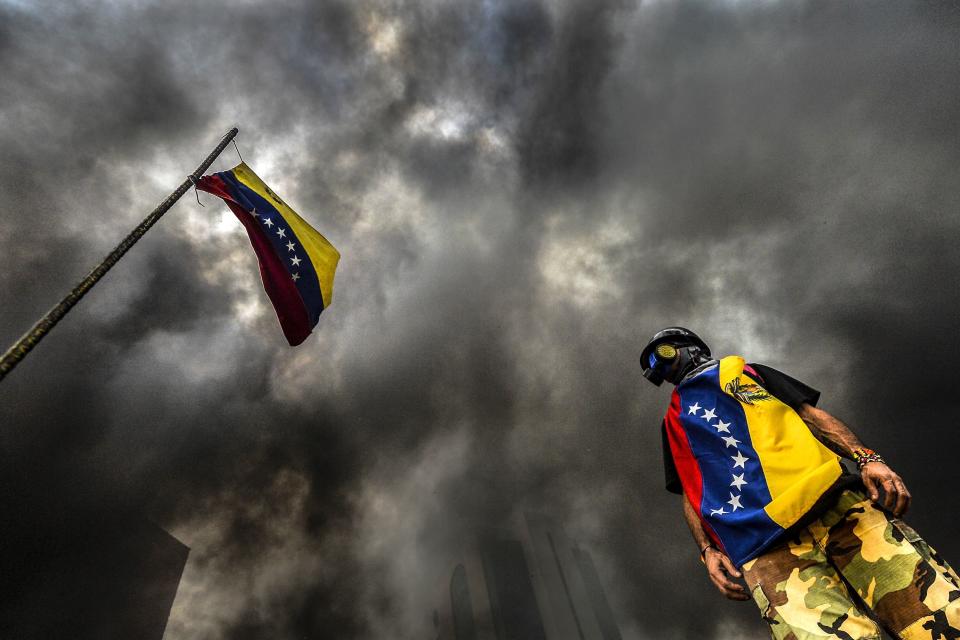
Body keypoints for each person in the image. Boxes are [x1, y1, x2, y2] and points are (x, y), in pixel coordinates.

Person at [641, 327, 960, 639]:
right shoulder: (673, 423)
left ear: (689, 346)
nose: (663, 366)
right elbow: (689, 491)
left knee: (937, 611)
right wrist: (708, 550)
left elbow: (809, 415)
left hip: (834, 505)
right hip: (765, 550)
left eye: (663, 354)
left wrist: (867, 458)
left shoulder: (746, 373)